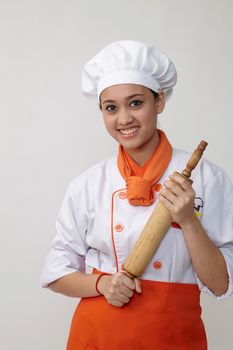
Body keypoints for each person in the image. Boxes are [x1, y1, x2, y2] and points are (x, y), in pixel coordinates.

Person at [41, 40, 233, 350]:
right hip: (97, 334)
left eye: (135, 103)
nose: (124, 119)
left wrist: (188, 220)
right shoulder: (88, 185)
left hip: (173, 336)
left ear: (159, 102)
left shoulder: (207, 178)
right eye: (111, 108)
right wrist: (102, 283)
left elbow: (220, 283)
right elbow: (56, 272)